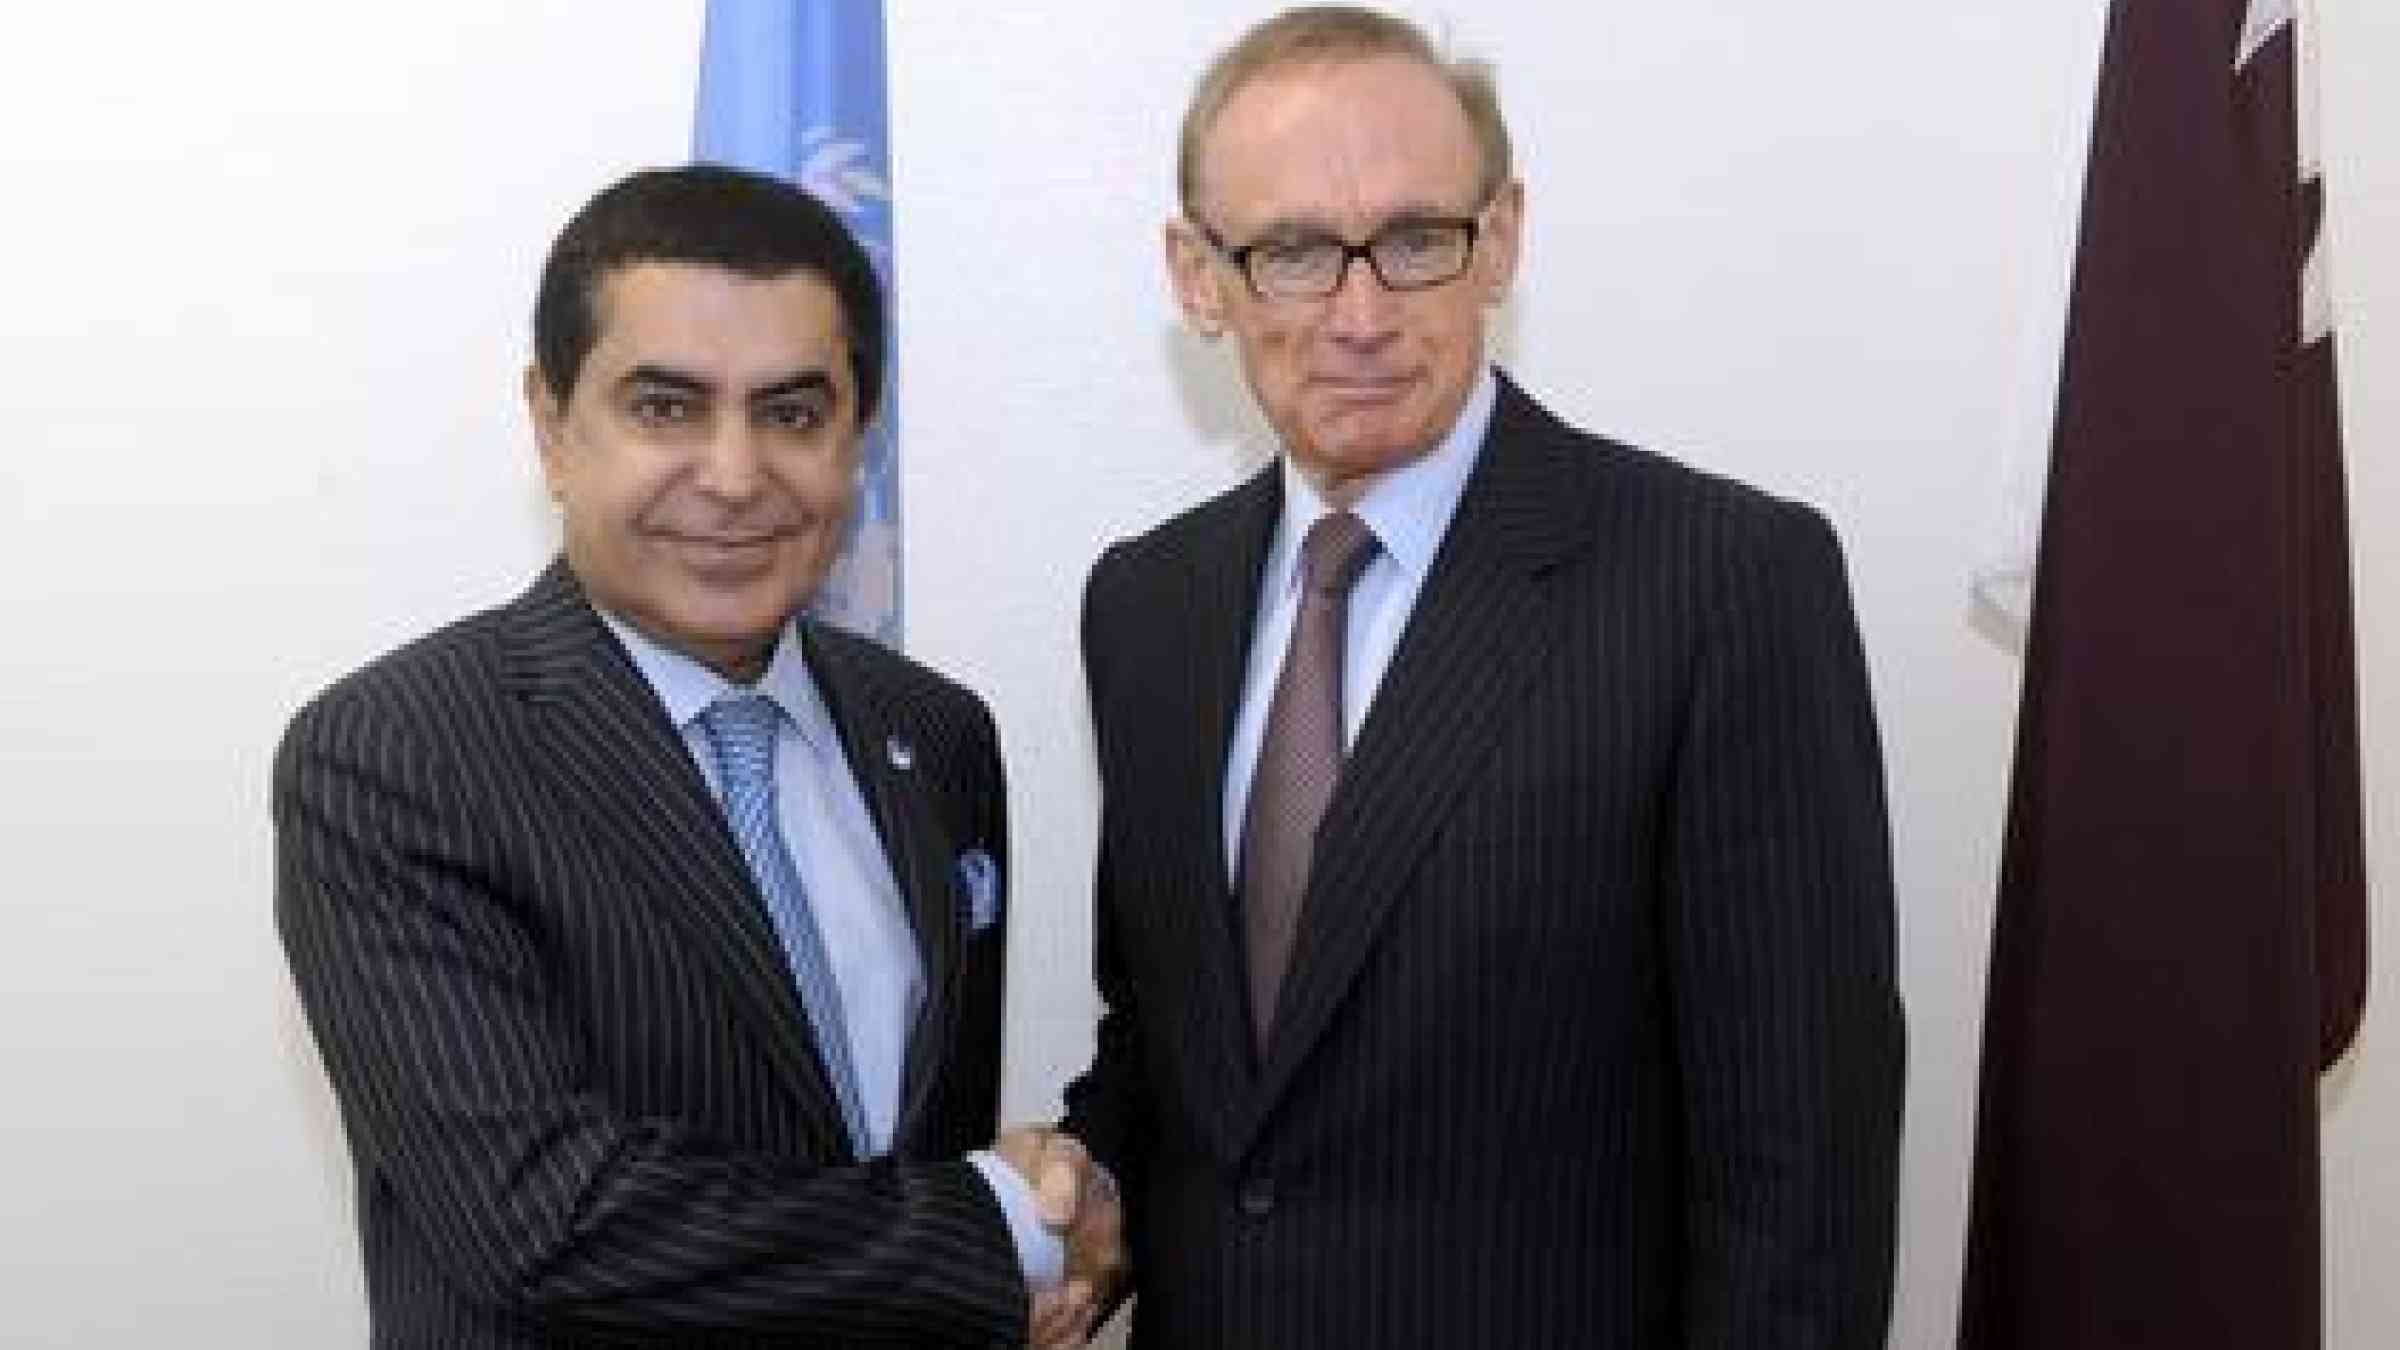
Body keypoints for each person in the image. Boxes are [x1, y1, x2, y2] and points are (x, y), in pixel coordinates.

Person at [1057, 7, 1905, 1346]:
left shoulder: (1722, 581)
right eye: (1289, 251)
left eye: (1414, 240)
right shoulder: (1145, 603)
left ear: (1497, 240)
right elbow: (1178, 1039)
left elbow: (1798, 1176)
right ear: (1198, 276)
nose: (1360, 313)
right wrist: (1084, 1190)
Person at [275, 164, 1110, 1348]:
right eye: (665, 408)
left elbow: (908, 1146)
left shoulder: (936, 735)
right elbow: (544, 1219)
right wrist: (994, 1231)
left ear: (857, 437)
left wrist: (1023, 1262)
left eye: (793, 412)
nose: (734, 475)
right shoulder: (398, 753)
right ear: (552, 426)